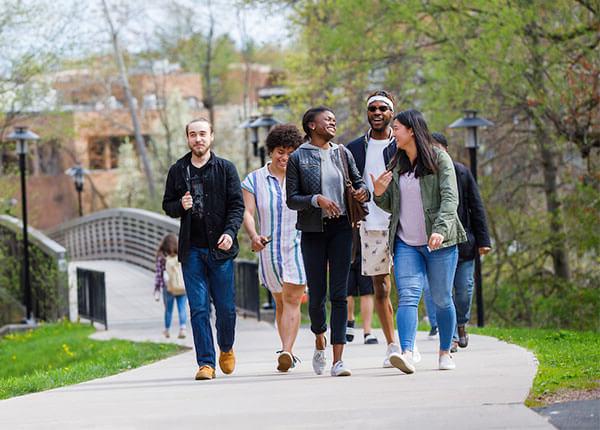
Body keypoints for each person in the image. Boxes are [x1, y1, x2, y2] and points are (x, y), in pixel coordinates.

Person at [372, 109, 467, 373]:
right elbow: (390, 205)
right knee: (408, 297)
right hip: (406, 244)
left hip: (440, 243)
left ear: (411, 130)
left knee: (441, 299)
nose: (394, 133)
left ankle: (445, 352)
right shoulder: (396, 162)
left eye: (398, 128)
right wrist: (378, 193)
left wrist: (439, 229)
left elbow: (450, 199)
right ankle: (406, 351)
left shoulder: (439, 159)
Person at [286, 106, 370, 377]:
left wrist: (362, 193)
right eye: (327, 119)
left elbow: (360, 185)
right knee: (317, 295)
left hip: (343, 228)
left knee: (339, 293)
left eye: (335, 119)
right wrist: (316, 199)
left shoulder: (342, 153)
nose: (333, 122)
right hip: (313, 231)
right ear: (312, 125)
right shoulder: (298, 157)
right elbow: (291, 198)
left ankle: (338, 360)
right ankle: (319, 338)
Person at [162, 117, 244, 381]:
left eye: (202, 134)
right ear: (187, 138)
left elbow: (237, 206)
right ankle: (205, 363)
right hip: (192, 251)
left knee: (226, 308)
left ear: (211, 137)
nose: (198, 139)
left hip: (220, 250)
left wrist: (230, 233)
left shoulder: (226, 169)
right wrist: (180, 206)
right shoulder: (178, 170)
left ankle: (227, 347)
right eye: (193, 135)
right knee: (198, 309)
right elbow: (168, 205)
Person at [346, 90, 409, 367]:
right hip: (371, 226)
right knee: (381, 288)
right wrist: (355, 195)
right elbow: (346, 183)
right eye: (372, 108)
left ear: (391, 112)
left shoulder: (403, 145)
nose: (377, 113)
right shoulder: (354, 148)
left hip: (404, 224)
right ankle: (392, 346)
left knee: (408, 287)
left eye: (383, 108)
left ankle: (409, 346)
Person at [241, 124, 307, 372]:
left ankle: (287, 351)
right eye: (280, 151)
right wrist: (253, 235)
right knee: (280, 301)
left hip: (299, 245)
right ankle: (286, 347)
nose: (285, 157)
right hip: (269, 248)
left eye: (291, 152)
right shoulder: (254, 179)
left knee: (292, 299)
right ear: (271, 151)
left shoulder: (303, 177)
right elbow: (247, 212)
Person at [430, 132, 492, 350]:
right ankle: (452, 336)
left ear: (445, 150)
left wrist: (484, 241)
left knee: (464, 291)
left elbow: (476, 207)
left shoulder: (461, 172)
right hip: (437, 246)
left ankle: (462, 323)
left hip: (464, 244)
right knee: (444, 293)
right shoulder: (423, 174)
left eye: (437, 148)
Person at [154, 233, 188, 339]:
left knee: (168, 309)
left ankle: (167, 330)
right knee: (182, 308)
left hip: (168, 287)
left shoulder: (162, 257)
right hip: (181, 286)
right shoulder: (181, 255)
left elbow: (159, 274)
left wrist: (157, 288)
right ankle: (182, 328)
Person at [345, 256, 378, 345]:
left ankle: (367, 332)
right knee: (346, 291)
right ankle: (349, 320)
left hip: (365, 251)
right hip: (346, 249)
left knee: (367, 291)